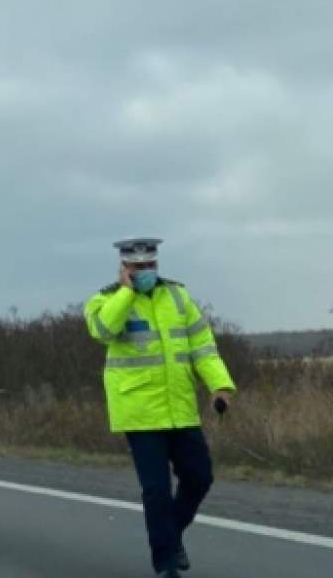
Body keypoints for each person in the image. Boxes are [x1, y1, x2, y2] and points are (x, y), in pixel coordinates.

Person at [83, 237, 236, 578]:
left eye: (150, 265)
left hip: (180, 408)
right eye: (137, 267)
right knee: (157, 491)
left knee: (199, 478)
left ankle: (171, 534)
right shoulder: (105, 299)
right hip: (139, 413)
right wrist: (126, 292)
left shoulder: (178, 297)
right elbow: (104, 331)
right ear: (124, 268)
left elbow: (202, 345)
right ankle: (165, 564)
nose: (145, 272)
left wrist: (219, 385)